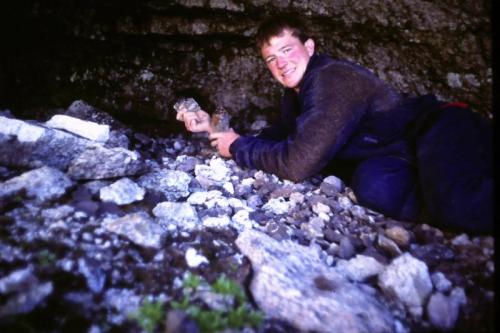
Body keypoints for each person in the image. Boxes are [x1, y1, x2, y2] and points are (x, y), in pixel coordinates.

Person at [177, 15, 493, 234]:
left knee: (460, 204)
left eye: (287, 50)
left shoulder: (331, 78)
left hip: (439, 128)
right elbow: (274, 139)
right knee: (375, 188)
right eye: (272, 58)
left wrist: (237, 147)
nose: (281, 62)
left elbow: (297, 162)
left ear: (310, 48)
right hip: (398, 153)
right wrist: (213, 128)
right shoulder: (295, 98)